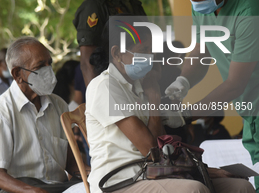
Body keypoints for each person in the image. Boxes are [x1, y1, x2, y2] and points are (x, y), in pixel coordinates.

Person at [86, 21, 255, 193]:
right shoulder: (105, 86)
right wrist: (154, 99)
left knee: (241, 187)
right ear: (116, 53)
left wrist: (209, 171)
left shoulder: (141, 86)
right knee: (193, 190)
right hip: (121, 181)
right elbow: (149, 148)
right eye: (144, 50)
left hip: (157, 173)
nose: (150, 56)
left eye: (152, 50)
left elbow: (162, 148)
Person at [165, 0, 259, 192]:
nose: (195, 4)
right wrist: (182, 81)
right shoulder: (203, 2)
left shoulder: (250, 9)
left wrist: (186, 115)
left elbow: (235, 83)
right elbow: (200, 53)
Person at [0, 37, 83, 193]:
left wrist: (90, 174)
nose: (48, 70)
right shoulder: (2, 111)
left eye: (49, 63)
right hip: (18, 190)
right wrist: (32, 191)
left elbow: (71, 162)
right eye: (40, 66)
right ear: (18, 74)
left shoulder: (59, 105)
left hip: (57, 187)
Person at [73, 0, 153, 87]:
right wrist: (99, 98)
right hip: (111, 89)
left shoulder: (136, 7)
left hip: (136, 90)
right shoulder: (96, 6)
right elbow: (87, 62)